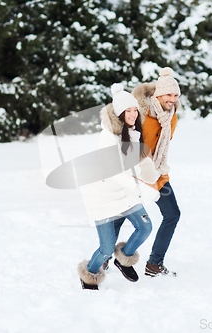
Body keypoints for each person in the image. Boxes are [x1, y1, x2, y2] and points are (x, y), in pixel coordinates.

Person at [78, 83, 160, 290]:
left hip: (125, 195)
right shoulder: (107, 138)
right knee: (106, 248)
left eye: (135, 110)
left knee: (145, 227)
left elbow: (139, 156)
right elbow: (117, 174)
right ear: (119, 113)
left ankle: (124, 259)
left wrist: (153, 172)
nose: (133, 114)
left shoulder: (133, 131)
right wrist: (144, 190)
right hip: (104, 198)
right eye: (128, 110)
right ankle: (89, 275)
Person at [115, 67, 181, 277]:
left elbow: (163, 145)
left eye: (176, 95)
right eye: (169, 95)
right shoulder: (140, 113)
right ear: (159, 94)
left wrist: (154, 166)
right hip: (135, 171)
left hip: (157, 172)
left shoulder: (172, 117)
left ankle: (154, 264)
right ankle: (104, 259)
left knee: (172, 214)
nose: (173, 99)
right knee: (120, 216)